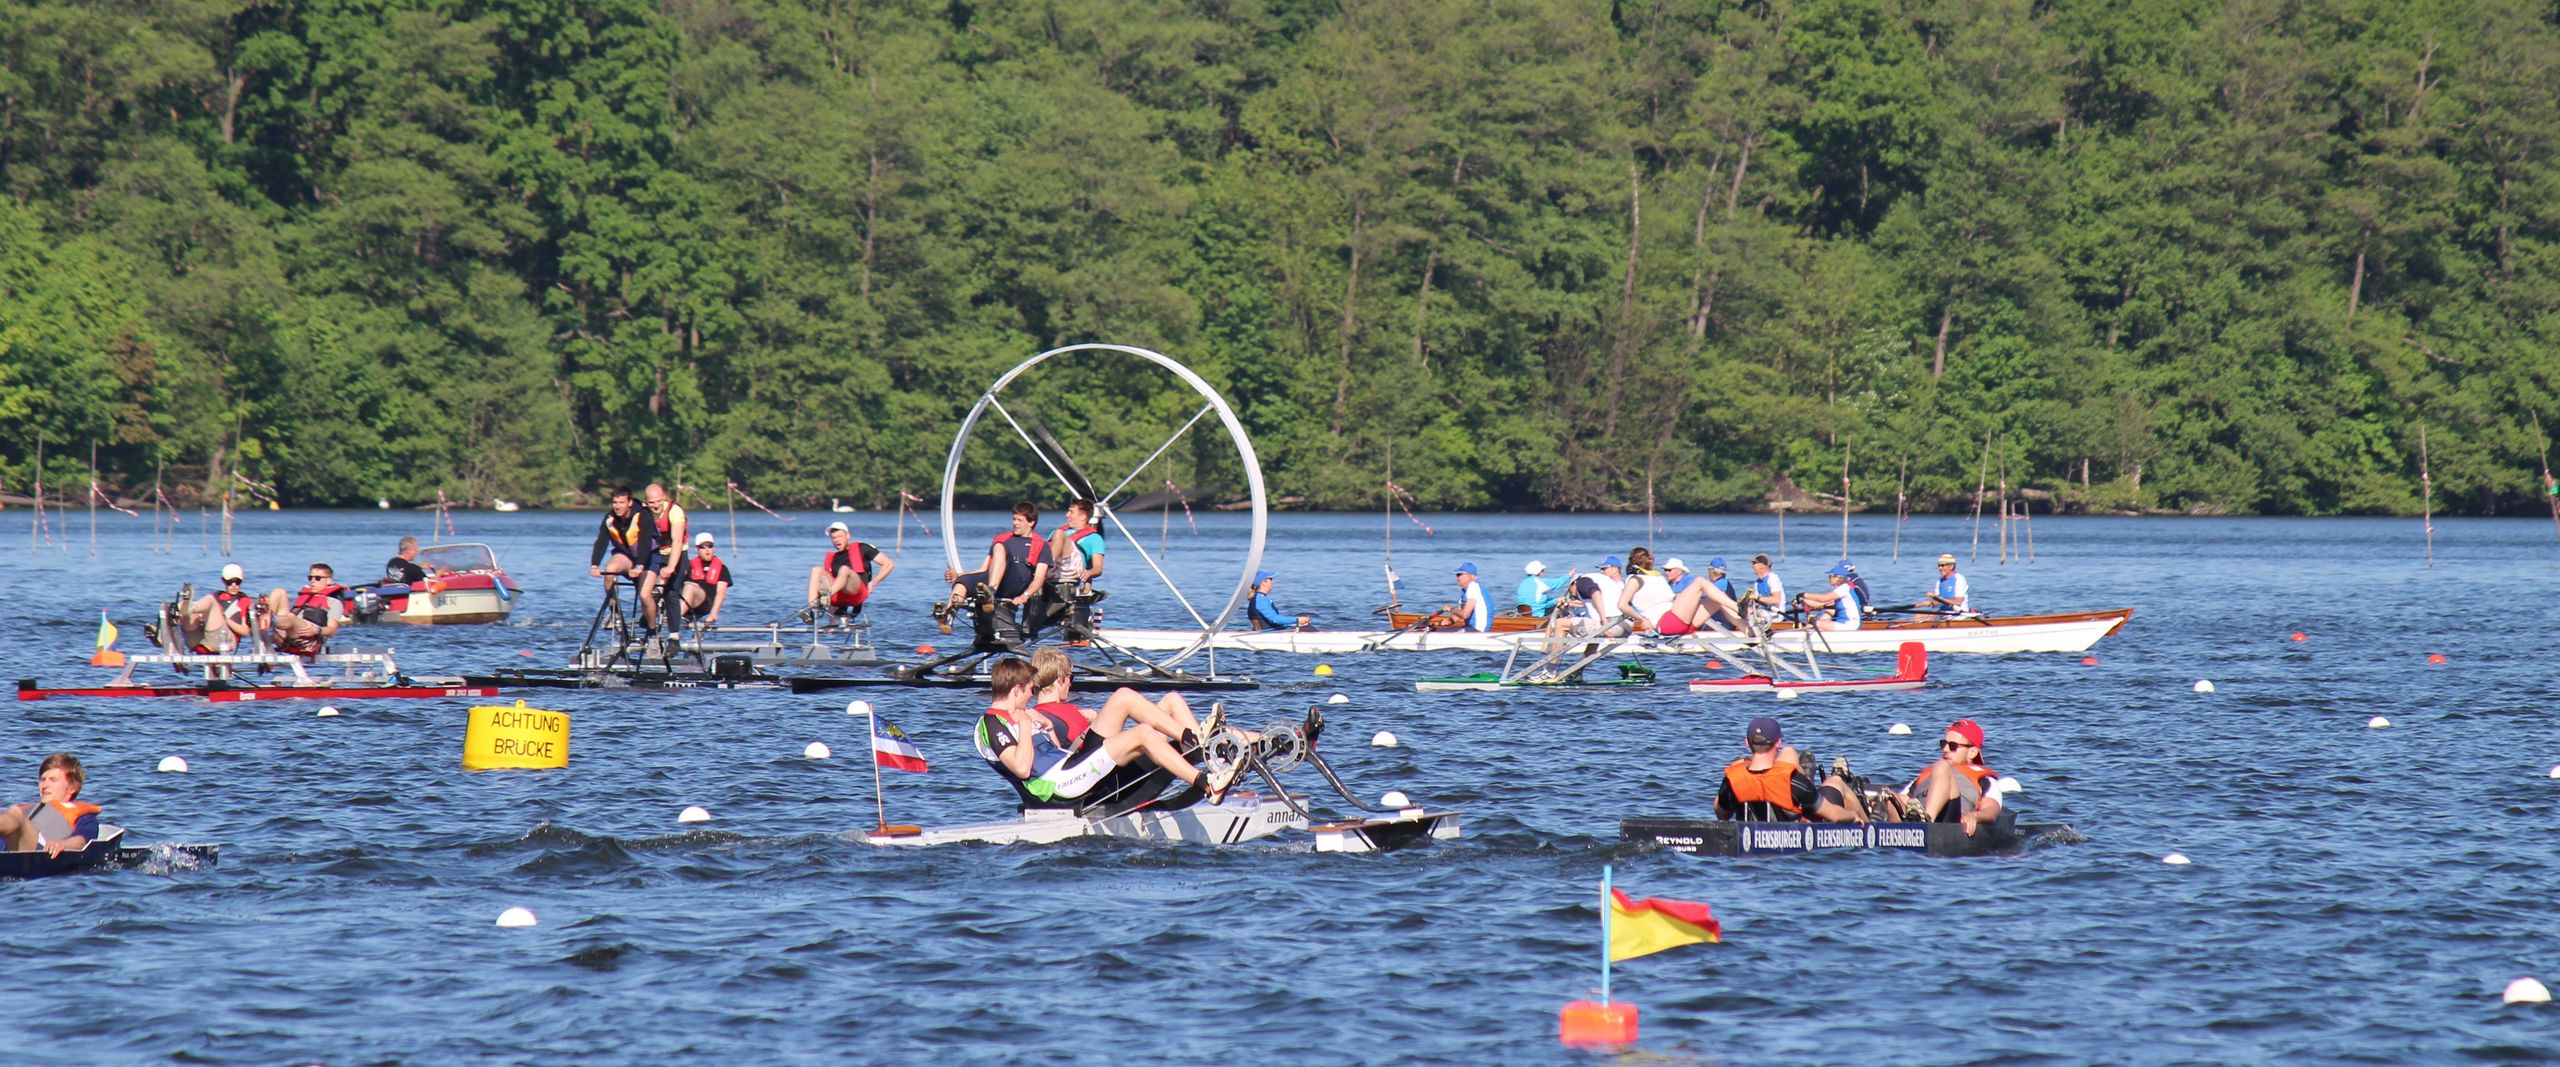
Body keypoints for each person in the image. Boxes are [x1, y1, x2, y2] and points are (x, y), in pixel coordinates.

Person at [977, 657, 1240, 806]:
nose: (1032, 696)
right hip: (1057, 785)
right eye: (1029, 690)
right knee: (1142, 733)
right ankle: (1208, 784)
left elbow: (1053, 750)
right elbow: (1022, 769)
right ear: (1016, 690)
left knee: (1130, 707)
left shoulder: (1022, 715)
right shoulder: (991, 724)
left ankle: (1196, 740)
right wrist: (1026, 725)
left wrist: (1044, 726)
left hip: (1070, 766)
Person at [1027, 648, 1210, 744]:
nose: (1070, 684)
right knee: (1123, 697)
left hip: (1115, 750)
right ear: (1060, 680)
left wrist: (1093, 717)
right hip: (1098, 767)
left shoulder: (1066, 709)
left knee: (1172, 699)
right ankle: (1193, 739)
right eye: (1070, 678)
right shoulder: (1041, 717)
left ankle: (1207, 746)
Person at [938, 503, 1048, 635]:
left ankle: (990, 592)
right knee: (963, 582)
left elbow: (1039, 578)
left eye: (1019, 520)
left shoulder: (1042, 546)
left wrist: (1025, 595)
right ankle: (948, 618)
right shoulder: (1002, 538)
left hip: (1015, 581)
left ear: (1031, 522)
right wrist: (959, 575)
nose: (1015, 523)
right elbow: (983, 569)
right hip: (994, 578)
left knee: (1000, 546)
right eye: (1014, 519)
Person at [1891, 719, 2003, 835]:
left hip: (1952, 820)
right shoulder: (1926, 774)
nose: (1945, 749)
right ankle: (1886, 830)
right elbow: (1902, 799)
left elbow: (1991, 810)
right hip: (1912, 821)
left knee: (1942, 766)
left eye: (1953, 746)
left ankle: (1926, 820)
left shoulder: (1985, 780)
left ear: (1972, 752)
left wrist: (1974, 816)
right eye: (1943, 744)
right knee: (1885, 794)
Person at [1714, 717, 1818, 821]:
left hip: (1746, 827)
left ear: (1747, 742)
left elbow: (1721, 816)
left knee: (1739, 768)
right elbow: (1828, 813)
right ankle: (1807, 781)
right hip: (1786, 824)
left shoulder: (1733, 780)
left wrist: (1731, 777)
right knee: (1789, 752)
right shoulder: (1792, 781)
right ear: (1778, 742)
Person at [0, 753, 99, 857]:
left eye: (53, 780)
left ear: (72, 788)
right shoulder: (27, 809)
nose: (45, 785)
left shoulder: (85, 817)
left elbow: (81, 841)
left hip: (43, 851)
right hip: (10, 849)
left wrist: (62, 845)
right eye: (43, 780)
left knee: (16, 813)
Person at [1040, 498, 1107, 638]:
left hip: (1072, 570)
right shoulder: (1057, 532)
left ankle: (1043, 567)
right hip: (1054, 571)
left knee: (1058, 534)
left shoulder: (1094, 538)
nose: (1067, 515)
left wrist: (1089, 574)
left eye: (1071, 512)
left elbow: (1098, 568)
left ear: (1083, 517)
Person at [588, 487, 661, 617]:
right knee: (610, 570)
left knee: (644, 596)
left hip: (647, 558)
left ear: (630, 502)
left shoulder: (643, 514)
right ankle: (615, 613)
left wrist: (639, 566)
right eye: (615, 502)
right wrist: (595, 565)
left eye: (622, 502)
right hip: (626, 556)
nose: (618, 506)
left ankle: (652, 625)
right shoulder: (610, 517)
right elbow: (601, 541)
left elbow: (645, 543)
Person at [804, 520, 892, 622]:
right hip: (838, 596)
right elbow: (832, 584)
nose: (837, 540)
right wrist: (831, 623)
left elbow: (889, 564)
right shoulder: (833, 558)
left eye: (840, 536)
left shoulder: (862, 548)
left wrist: (873, 583)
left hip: (857, 592)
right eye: (834, 538)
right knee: (816, 570)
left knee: (844, 569)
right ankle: (812, 610)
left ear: (848, 536)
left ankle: (824, 598)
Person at [264, 563, 349, 658]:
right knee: (279, 592)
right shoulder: (305, 597)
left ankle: (270, 619)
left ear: (328, 580)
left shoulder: (334, 603)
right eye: (310, 578)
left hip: (307, 642)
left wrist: (317, 630)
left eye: (317, 578)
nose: (312, 581)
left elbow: (332, 630)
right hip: (286, 635)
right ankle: (264, 617)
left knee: (291, 619)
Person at [640, 484, 691, 629]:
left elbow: (677, 542)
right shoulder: (642, 511)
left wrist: (671, 567)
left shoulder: (675, 511)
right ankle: (650, 616)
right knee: (645, 590)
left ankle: (674, 634)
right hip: (656, 553)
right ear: (645, 501)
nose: (656, 506)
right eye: (651, 502)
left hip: (677, 553)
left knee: (671, 593)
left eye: (659, 501)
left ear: (664, 498)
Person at [185, 563, 257, 653]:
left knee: (211, 600)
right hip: (202, 640)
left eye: (237, 582)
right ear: (223, 581)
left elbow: (246, 631)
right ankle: (184, 609)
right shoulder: (216, 595)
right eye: (230, 582)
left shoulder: (243, 601)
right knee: (193, 615)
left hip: (226, 640)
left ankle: (189, 608)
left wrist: (226, 620)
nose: (234, 585)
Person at [679, 531, 733, 625]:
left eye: (710, 546)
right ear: (697, 550)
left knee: (690, 587)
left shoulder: (722, 568)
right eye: (703, 547)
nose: (707, 550)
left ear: (713, 549)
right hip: (687, 602)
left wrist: (713, 613)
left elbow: (721, 594)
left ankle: (674, 617)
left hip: (705, 604)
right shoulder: (689, 566)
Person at [1616, 548, 1676, 631]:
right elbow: (1622, 605)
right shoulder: (1636, 580)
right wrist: (1641, 620)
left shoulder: (1657, 577)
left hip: (1672, 613)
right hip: (1660, 620)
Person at [1796, 562, 1864, 631]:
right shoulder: (1840, 590)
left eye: (1830, 577)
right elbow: (1818, 604)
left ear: (1837, 577)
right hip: (1842, 622)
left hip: (1849, 624)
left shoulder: (1844, 588)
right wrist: (1801, 600)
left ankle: (1799, 636)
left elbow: (1823, 598)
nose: (1829, 579)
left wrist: (1804, 594)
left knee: (1813, 624)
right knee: (1817, 623)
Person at [1244, 570, 1309, 630]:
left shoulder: (1260, 597)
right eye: (1271, 579)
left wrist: (1294, 623)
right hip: (1269, 633)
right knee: (1307, 628)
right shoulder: (1260, 600)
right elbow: (1274, 619)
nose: (1272, 582)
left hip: (1271, 631)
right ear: (1264, 582)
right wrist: (1297, 620)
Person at [1446, 562, 1491, 631]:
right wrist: (1447, 622)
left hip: (1478, 630)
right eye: (1457, 574)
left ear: (1472, 576)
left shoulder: (1473, 588)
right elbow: (1459, 614)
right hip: (1470, 628)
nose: (1457, 577)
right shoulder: (1464, 591)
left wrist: (1451, 609)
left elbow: (1465, 614)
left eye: (1460, 574)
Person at [1744, 554, 1785, 626]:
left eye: (1754, 563)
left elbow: (1776, 599)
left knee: (1747, 612)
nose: (1752, 566)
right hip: (1763, 613)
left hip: (1775, 615)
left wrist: (1756, 597)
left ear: (1762, 565)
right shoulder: (1757, 583)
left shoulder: (1772, 578)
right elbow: (1757, 602)